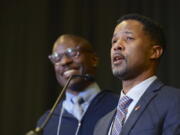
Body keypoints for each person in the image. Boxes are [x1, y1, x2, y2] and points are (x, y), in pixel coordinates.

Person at [94, 13, 180, 135]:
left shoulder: (174, 101)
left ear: (154, 52)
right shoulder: (101, 124)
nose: (117, 46)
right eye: (114, 41)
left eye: (129, 38)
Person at [37, 34, 119, 135]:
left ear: (94, 60)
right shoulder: (46, 122)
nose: (65, 61)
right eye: (57, 58)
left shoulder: (119, 107)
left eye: (73, 53)